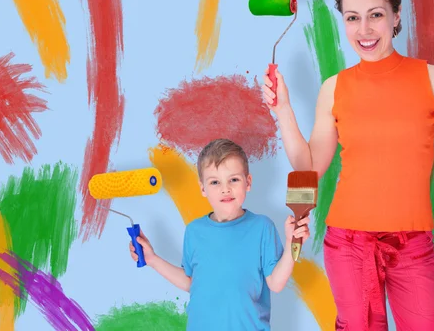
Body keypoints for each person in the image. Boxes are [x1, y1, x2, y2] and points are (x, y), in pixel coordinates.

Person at [262, 0, 434, 330]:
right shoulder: (333, 88)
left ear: (396, 16)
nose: (364, 30)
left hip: (412, 245)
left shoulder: (432, 78)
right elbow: (310, 166)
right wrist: (283, 109)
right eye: (352, 18)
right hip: (347, 243)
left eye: (375, 15)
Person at [129, 138, 311, 330]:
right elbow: (191, 282)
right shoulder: (194, 231)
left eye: (233, 179)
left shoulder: (262, 228)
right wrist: (152, 259)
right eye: (215, 182)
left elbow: (275, 283)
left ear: (247, 182)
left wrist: (292, 244)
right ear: (202, 188)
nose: (225, 189)